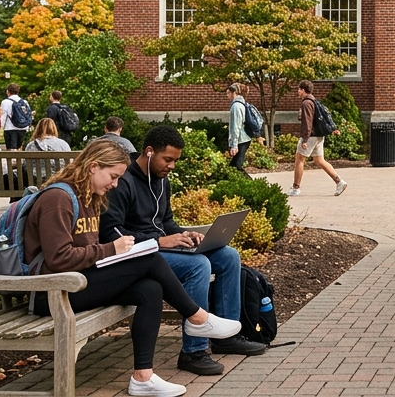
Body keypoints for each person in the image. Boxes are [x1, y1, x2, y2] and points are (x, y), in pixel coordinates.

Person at [24, 139, 242, 397]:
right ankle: (197, 318)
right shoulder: (58, 199)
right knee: (148, 258)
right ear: (93, 167)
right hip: (50, 294)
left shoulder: (89, 198)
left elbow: (86, 253)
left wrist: (114, 254)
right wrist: (112, 250)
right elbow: (59, 258)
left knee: (149, 289)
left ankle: (143, 377)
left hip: (76, 284)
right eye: (113, 176)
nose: (115, 184)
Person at [101, 125, 269, 375]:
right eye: (167, 159)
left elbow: (165, 221)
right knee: (198, 266)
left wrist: (183, 234)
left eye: (175, 161)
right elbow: (110, 233)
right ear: (149, 152)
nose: (171, 166)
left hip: (160, 248)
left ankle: (226, 338)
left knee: (228, 256)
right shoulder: (122, 183)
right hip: (140, 255)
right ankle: (193, 351)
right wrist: (160, 241)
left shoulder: (161, 181)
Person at [288, 80, 347, 196]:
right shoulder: (314, 101)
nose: (298, 91)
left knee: (299, 159)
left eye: (299, 89)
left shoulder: (306, 103)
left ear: (303, 90)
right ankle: (339, 182)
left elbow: (307, 122)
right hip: (319, 135)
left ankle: (295, 188)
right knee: (319, 160)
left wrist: (304, 139)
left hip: (311, 136)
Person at [225, 84, 252, 170]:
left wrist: (234, 145)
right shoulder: (241, 103)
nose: (227, 95)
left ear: (234, 92)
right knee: (234, 166)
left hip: (241, 140)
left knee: (237, 167)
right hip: (244, 139)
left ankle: (251, 183)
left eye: (228, 93)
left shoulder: (236, 106)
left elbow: (236, 126)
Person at [0, 83, 31, 150]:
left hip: (10, 127)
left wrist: (1, 127)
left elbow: (3, 115)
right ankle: (19, 160)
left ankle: (12, 160)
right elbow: (28, 114)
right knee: (19, 147)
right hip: (23, 127)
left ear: (8, 91)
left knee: (11, 149)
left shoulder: (5, 102)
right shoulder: (24, 102)